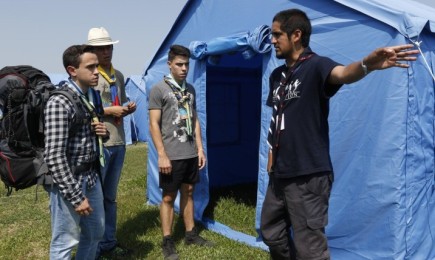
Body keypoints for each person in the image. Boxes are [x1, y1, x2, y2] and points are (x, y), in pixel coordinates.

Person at [260, 9, 419, 260]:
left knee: (309, 247)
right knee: (270, 231)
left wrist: (367, 64)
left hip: (308, 175)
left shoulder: (316, 65)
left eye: (277, 34)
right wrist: (271, 154)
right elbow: (277, 118)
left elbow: (343, 74)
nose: (272, 40)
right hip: (279, 173)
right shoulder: (276, 76)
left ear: (296, 35)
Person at [149, 44, 214, 260]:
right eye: (179, 64)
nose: (184, 68)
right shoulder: (159, 89)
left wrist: (200, 148)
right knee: (168, 197)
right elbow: (154, 125)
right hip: (171, 154)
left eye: (187, 64)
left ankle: (190, 234)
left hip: (190, 153)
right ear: (169, 65)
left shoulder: (190, 89)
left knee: (189, 192)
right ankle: (167, 241)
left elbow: (194, 120)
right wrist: (161, 154)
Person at [44, 44, 109, 259]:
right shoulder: (59, 102)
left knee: (95, 234)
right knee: (64, 242)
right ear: (72, 70)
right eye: (90, 67)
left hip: (91, 177)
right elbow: (53, 155)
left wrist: (103, 133)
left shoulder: (92, 96)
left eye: (97, 66)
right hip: (69, 181)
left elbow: (90, 137)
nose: (96, 72)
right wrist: (75, 196)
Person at [86, 27, 137, 259]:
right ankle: (93, 247)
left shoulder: (119, 75)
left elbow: (121, 104)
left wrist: (126, 109)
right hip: (99, 143)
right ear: (92, 51)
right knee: (95, 198)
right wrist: (110, 110)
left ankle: (109, 242)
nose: (106, 52)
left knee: (110, 197)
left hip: (118, 141)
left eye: (109, 47)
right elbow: (85, 109)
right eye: (101, 48)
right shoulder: (90, 75)